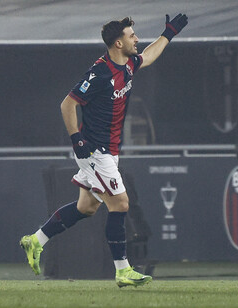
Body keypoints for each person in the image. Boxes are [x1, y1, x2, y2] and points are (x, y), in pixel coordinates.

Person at [19, 14, 188, 288]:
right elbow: (67, 105)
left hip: (108, 150)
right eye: (132, 35)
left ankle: (35, 240)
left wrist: (168, 33)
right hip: (95, 151)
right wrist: (77, 140)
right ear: (118, 43)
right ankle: (122, 271)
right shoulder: (99, 73)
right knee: (120, 204)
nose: (136, 39)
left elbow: (149, 55)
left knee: (86, 207)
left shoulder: (129, 65)